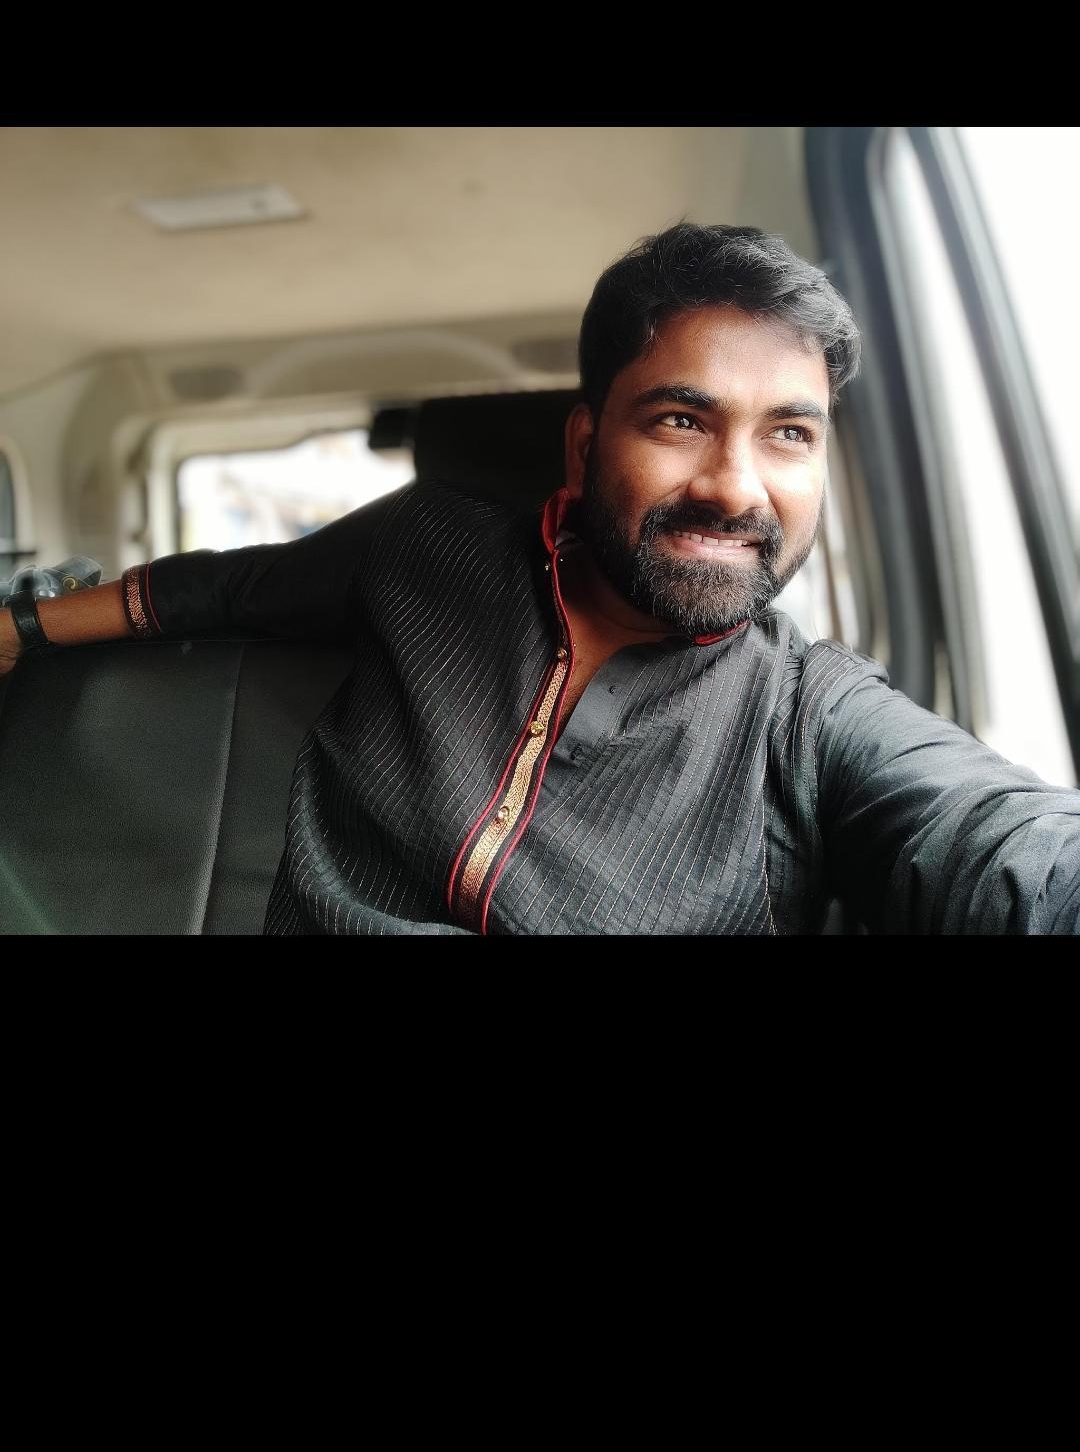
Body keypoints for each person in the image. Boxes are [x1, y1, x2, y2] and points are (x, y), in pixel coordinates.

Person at [2, 223, 1079, 933]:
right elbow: (220, 588)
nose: (733, 486)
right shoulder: (428, 549)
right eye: (681, 420)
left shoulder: (812, 716)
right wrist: (25, 629)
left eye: (789, 434)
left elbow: (1001, 851)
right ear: (584, 445)